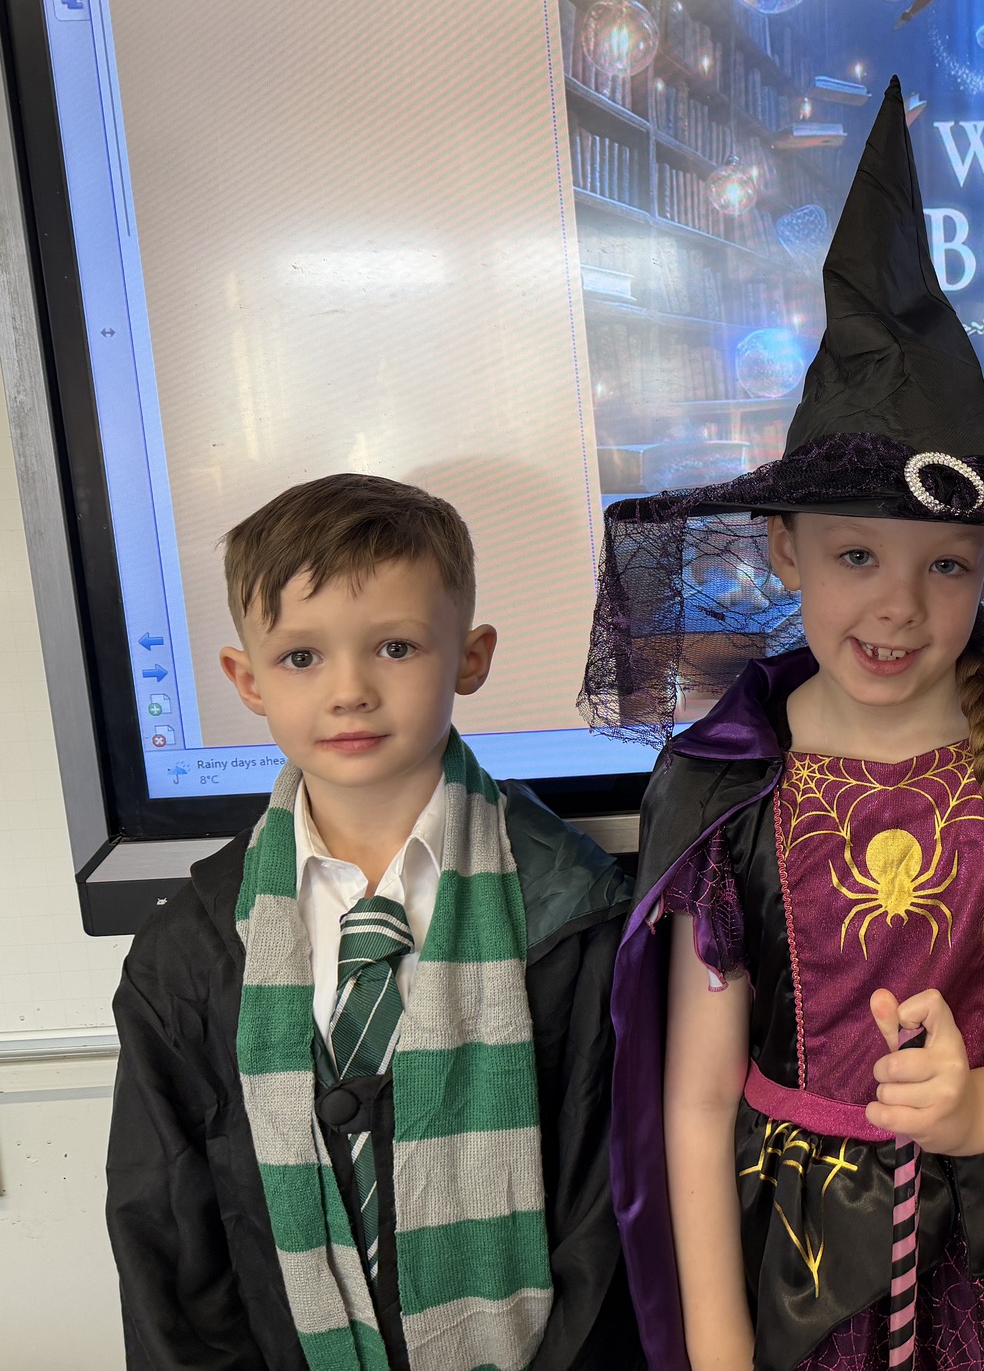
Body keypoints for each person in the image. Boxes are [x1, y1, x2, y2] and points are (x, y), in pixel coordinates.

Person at [584, 79, 984, 1371]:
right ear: (782, 549)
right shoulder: (728, 790)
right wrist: (717, 1356)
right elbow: (694, 1105)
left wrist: (977, 1108)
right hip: (791, 1298)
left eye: (946, 566)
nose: (898, 608)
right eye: (856, 555)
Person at [107, 474, 642, 1371]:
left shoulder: (577, 920)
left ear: (470, 658)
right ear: (246, 679)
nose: (349, 691)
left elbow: (609, 1228)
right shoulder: (190, 952)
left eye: (395, 647)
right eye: (301, 657)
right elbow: (168, 1242)